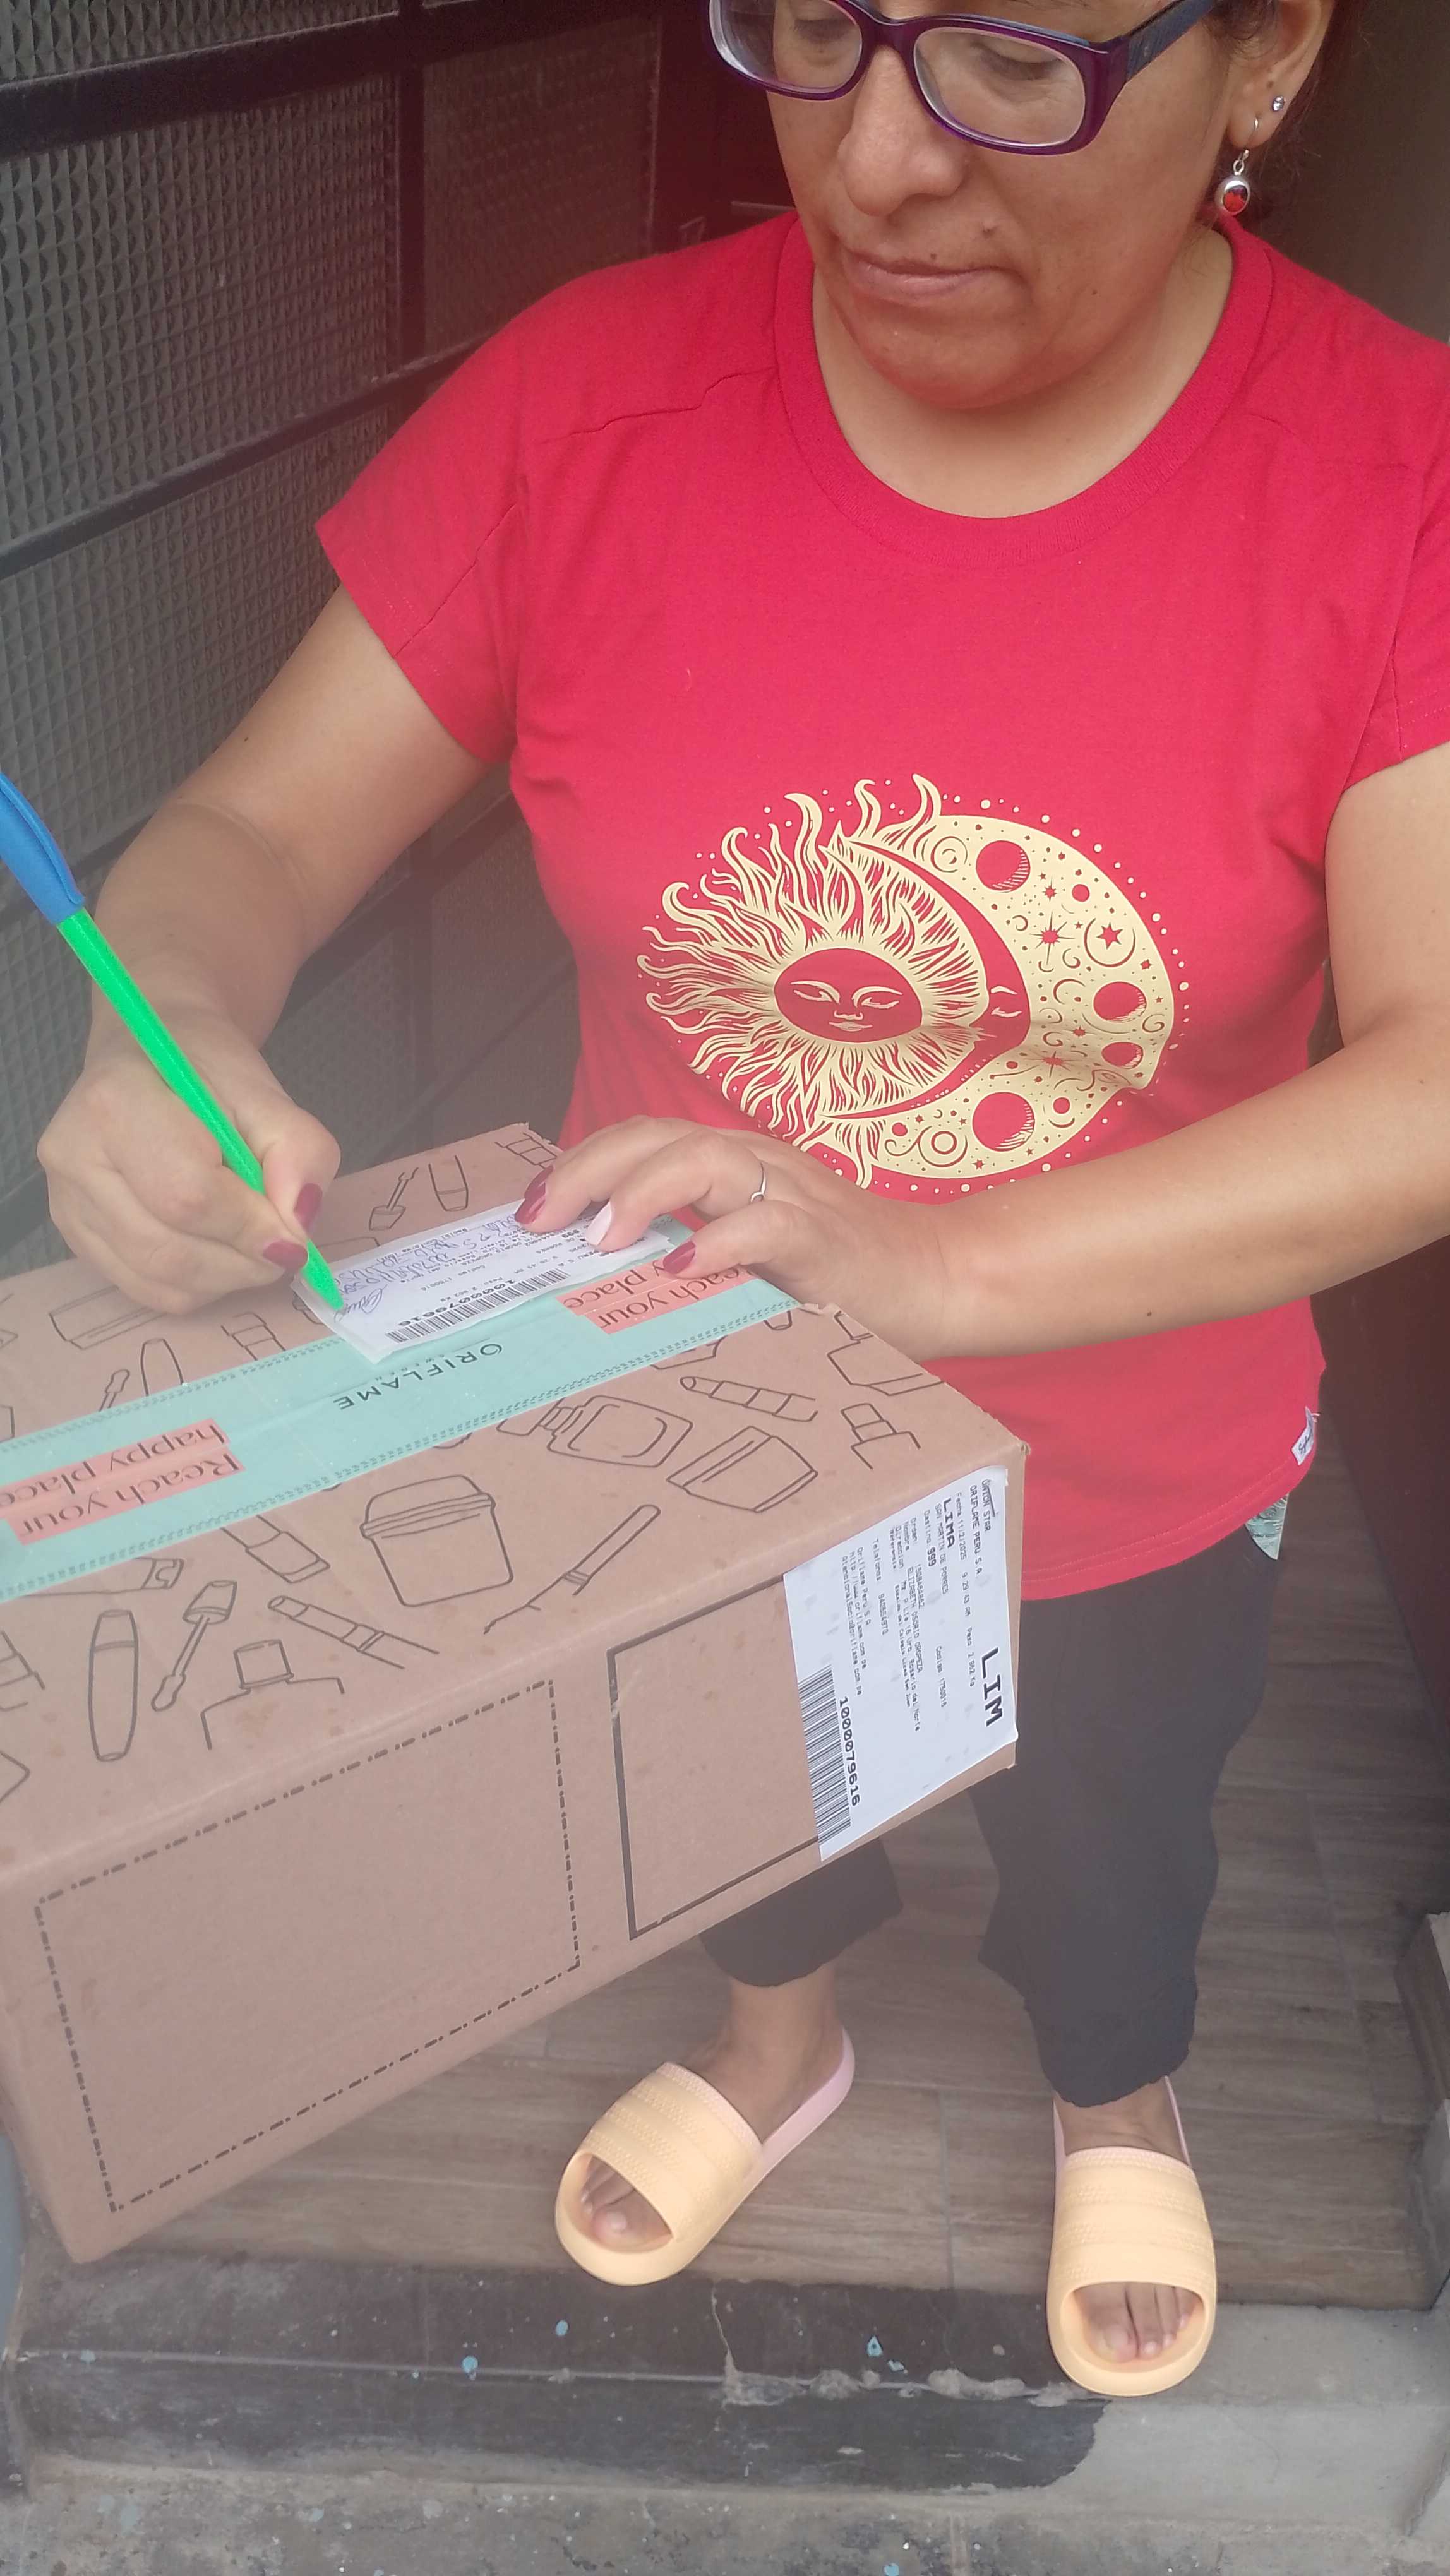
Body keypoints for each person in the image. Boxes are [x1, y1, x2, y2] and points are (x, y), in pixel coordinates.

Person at [37, 0, 1446, 2397]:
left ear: (1269, 54)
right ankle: (782, 2038)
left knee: (1117, 1828)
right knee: (739, 1797)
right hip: (690, 1427)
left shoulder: (1393, 476)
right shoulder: (586, 405)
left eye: (1012, 55)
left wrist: (929, 1259)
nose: (878, 160)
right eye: (816, 24)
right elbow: (253, 830)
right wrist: (152, 1030)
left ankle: (1119, 2082)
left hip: (1143, 1451)